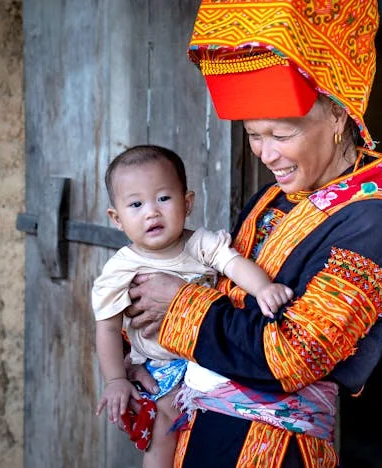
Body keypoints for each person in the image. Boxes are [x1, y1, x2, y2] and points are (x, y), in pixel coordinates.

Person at [122, 1, 382, 466]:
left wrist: (176, 306)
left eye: (281, 134)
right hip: (201, 429)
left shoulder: (370, 227)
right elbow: (220, 290)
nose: (266, 155)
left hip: (275, 451)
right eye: (255, 135)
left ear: (337, 117)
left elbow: (293, 356)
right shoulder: (271, 200)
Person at [93, 145, 294, 467]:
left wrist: (263, 288)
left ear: (187, 203)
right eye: (135, 204)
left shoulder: (200, 243)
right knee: (161, 434)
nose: (151, 212)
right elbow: (107, 326)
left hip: (211, 357)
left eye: (163, 198)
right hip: (162, 368)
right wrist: (115, 379)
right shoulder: (121, 269)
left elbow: (234, 263)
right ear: (116, 218)